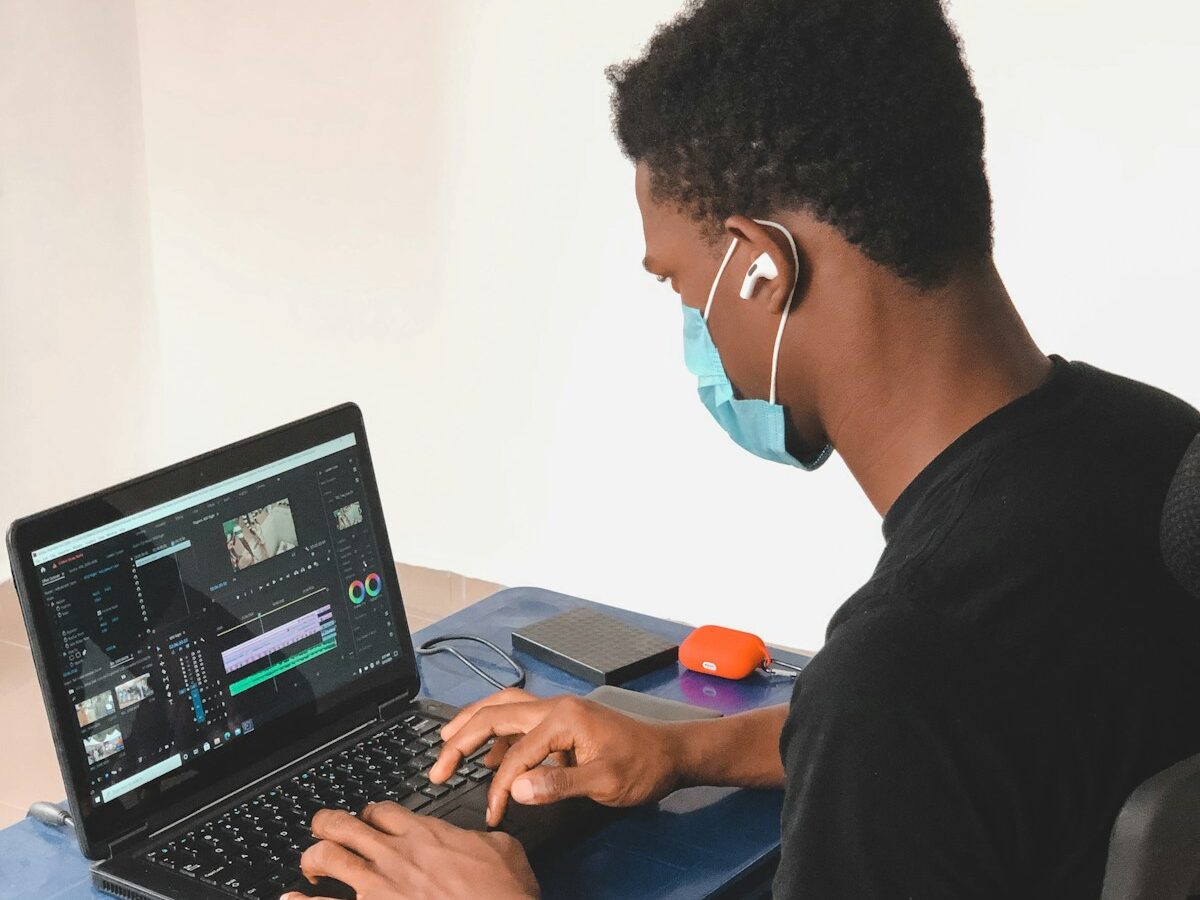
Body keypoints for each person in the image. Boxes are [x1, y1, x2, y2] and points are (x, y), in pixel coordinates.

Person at [282, 0, 1200, 897]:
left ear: (765, 266)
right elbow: (989, 745)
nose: (694, 327)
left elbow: (902, 723)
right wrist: (684, 746)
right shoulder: (1157, 446)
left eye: (682, 286)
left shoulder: (904, 667)